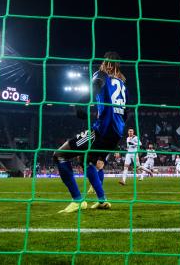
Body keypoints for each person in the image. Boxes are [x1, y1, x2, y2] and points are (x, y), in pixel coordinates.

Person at [53, 51, 127, 213]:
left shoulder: (101, 74)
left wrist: (80, 104)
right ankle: (102, 201)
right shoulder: (122, 84)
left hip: (101, 130)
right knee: (89, 161)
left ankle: (78, 200)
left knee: (59, 155)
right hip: (116, 133)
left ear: (106, 63)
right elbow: (126, 112)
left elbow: (95, 85)